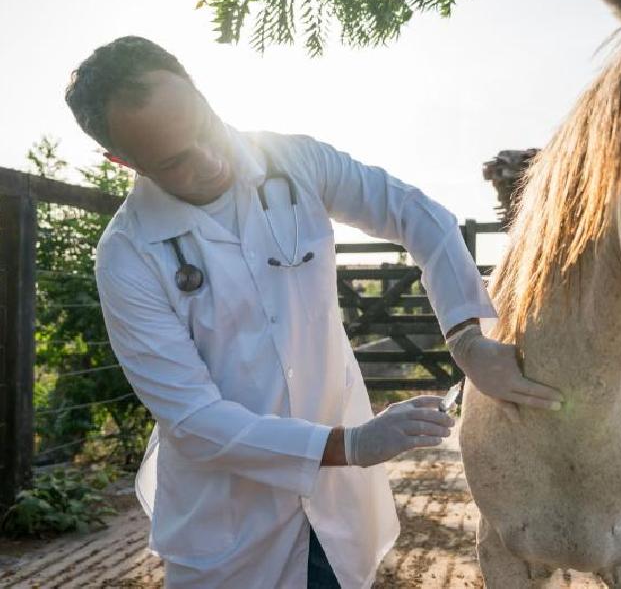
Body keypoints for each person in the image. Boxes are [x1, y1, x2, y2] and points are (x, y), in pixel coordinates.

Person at [64, 36, 564, 589]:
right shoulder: (127, 256)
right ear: (123, 161)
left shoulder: (293, 160)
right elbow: (194, 421)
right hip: (227, 534)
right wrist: (348, 444)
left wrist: (467, 339)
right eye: (175, 161)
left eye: (204, 127)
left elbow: (417, 215)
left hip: (335, 514)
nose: (209, 160)